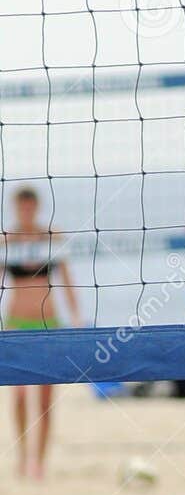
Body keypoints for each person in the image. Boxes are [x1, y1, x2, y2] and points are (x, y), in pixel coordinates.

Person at [2, 186, 80, 479]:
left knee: (46, 398)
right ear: (16, 208)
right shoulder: (7, 240)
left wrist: (76, 318)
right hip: (16, 324)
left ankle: (40, 462)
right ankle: (23, 456)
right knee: (20, 395)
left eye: (30, 207)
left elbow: (67, 280)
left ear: (36, 207)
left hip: (48, 323)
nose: (26, 211)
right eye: (21, 207)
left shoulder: (52, 238)